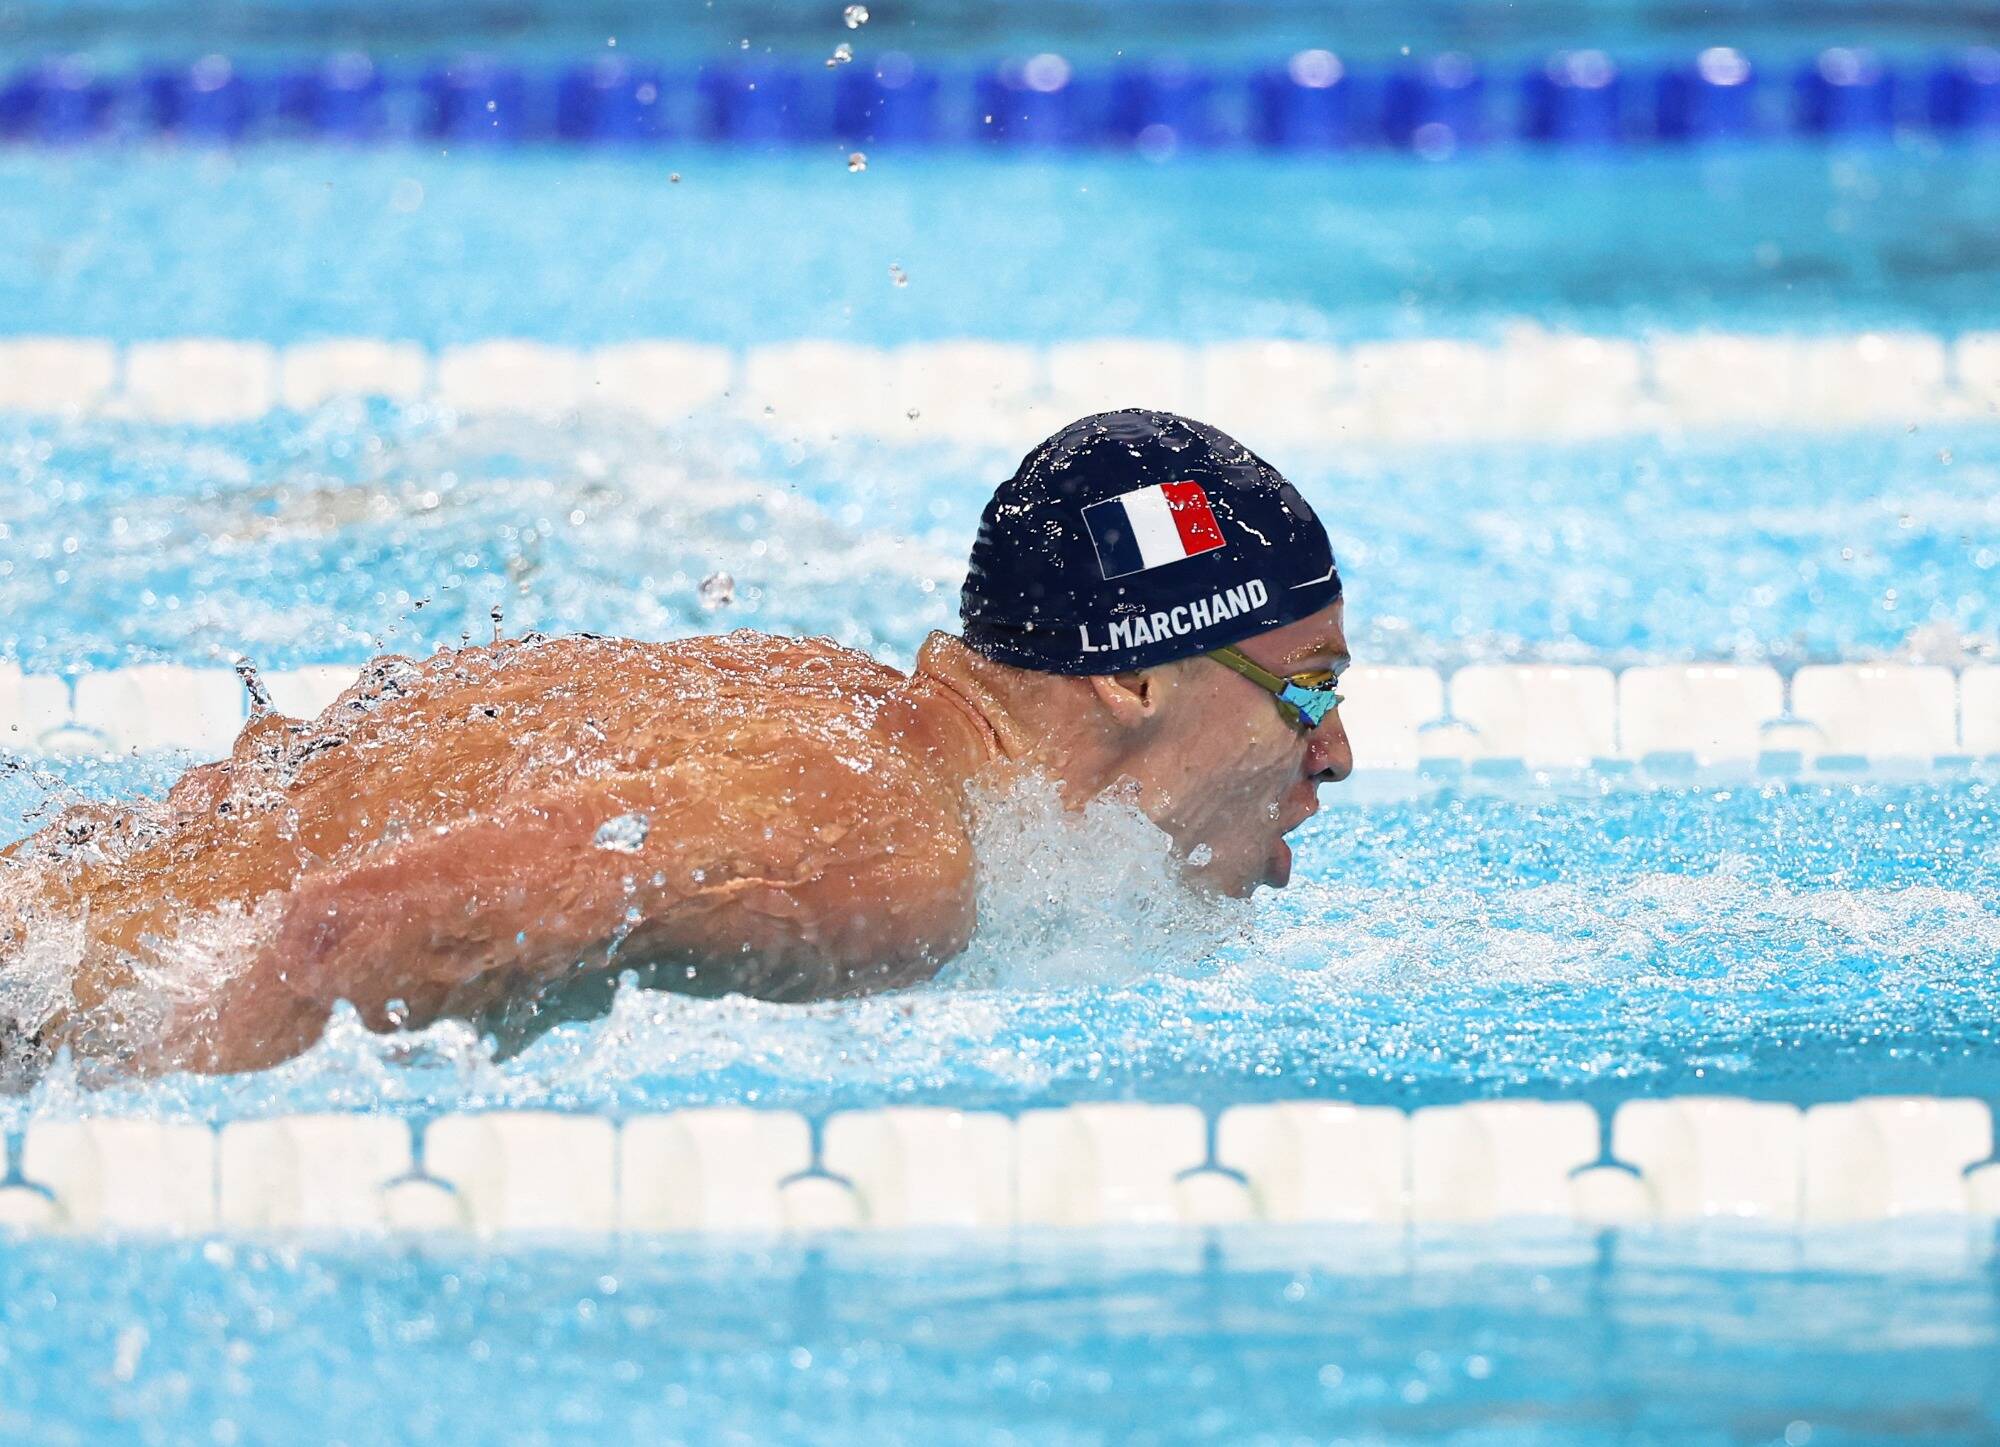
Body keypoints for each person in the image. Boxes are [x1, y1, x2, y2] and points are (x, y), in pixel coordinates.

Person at [0, 409, 1351, 1079]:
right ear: (1130, 685)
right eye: (1305, 690)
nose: (1334, 750)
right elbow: (341, 936)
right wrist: (161, 1155)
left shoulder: (828, 695)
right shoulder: (897, 854)